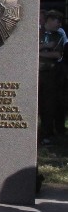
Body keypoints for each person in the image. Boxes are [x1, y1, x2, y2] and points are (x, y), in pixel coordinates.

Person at [39, 10, 67, 142]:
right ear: (48, 20)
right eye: (57, 21)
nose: (59, 24)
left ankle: (47, 134)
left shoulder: (58, 35)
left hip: (50, 74)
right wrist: (45, 46)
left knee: (48, 105)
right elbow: (28, 47)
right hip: (36, 73)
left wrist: (37, 52)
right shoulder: (36, 32)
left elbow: (57, 55)